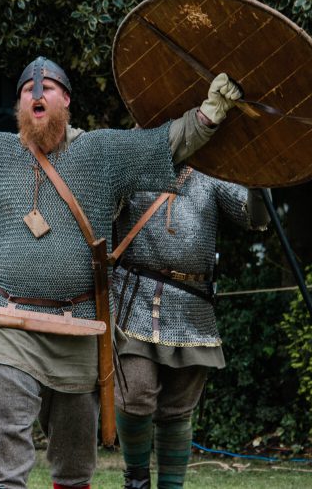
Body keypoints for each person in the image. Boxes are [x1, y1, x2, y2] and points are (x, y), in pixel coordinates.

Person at [0, 56, 243, 489]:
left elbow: (166, 144)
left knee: (73, 465)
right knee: (6, 461)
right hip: (6, 323)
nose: (36, 94)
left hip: (79, 328)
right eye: (27, 91)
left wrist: (209, 115)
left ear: (66, 100)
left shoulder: (102, 153)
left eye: (47, 87)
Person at [112, 170, 269, 489]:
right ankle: (137, 479)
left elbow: (256, 216)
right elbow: (99, 209)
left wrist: (260, 173)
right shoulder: (131, 160)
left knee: (177, 410)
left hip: (191, 304)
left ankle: (172, 486)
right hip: (133, 297)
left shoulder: (212, 173)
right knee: (135, 393)